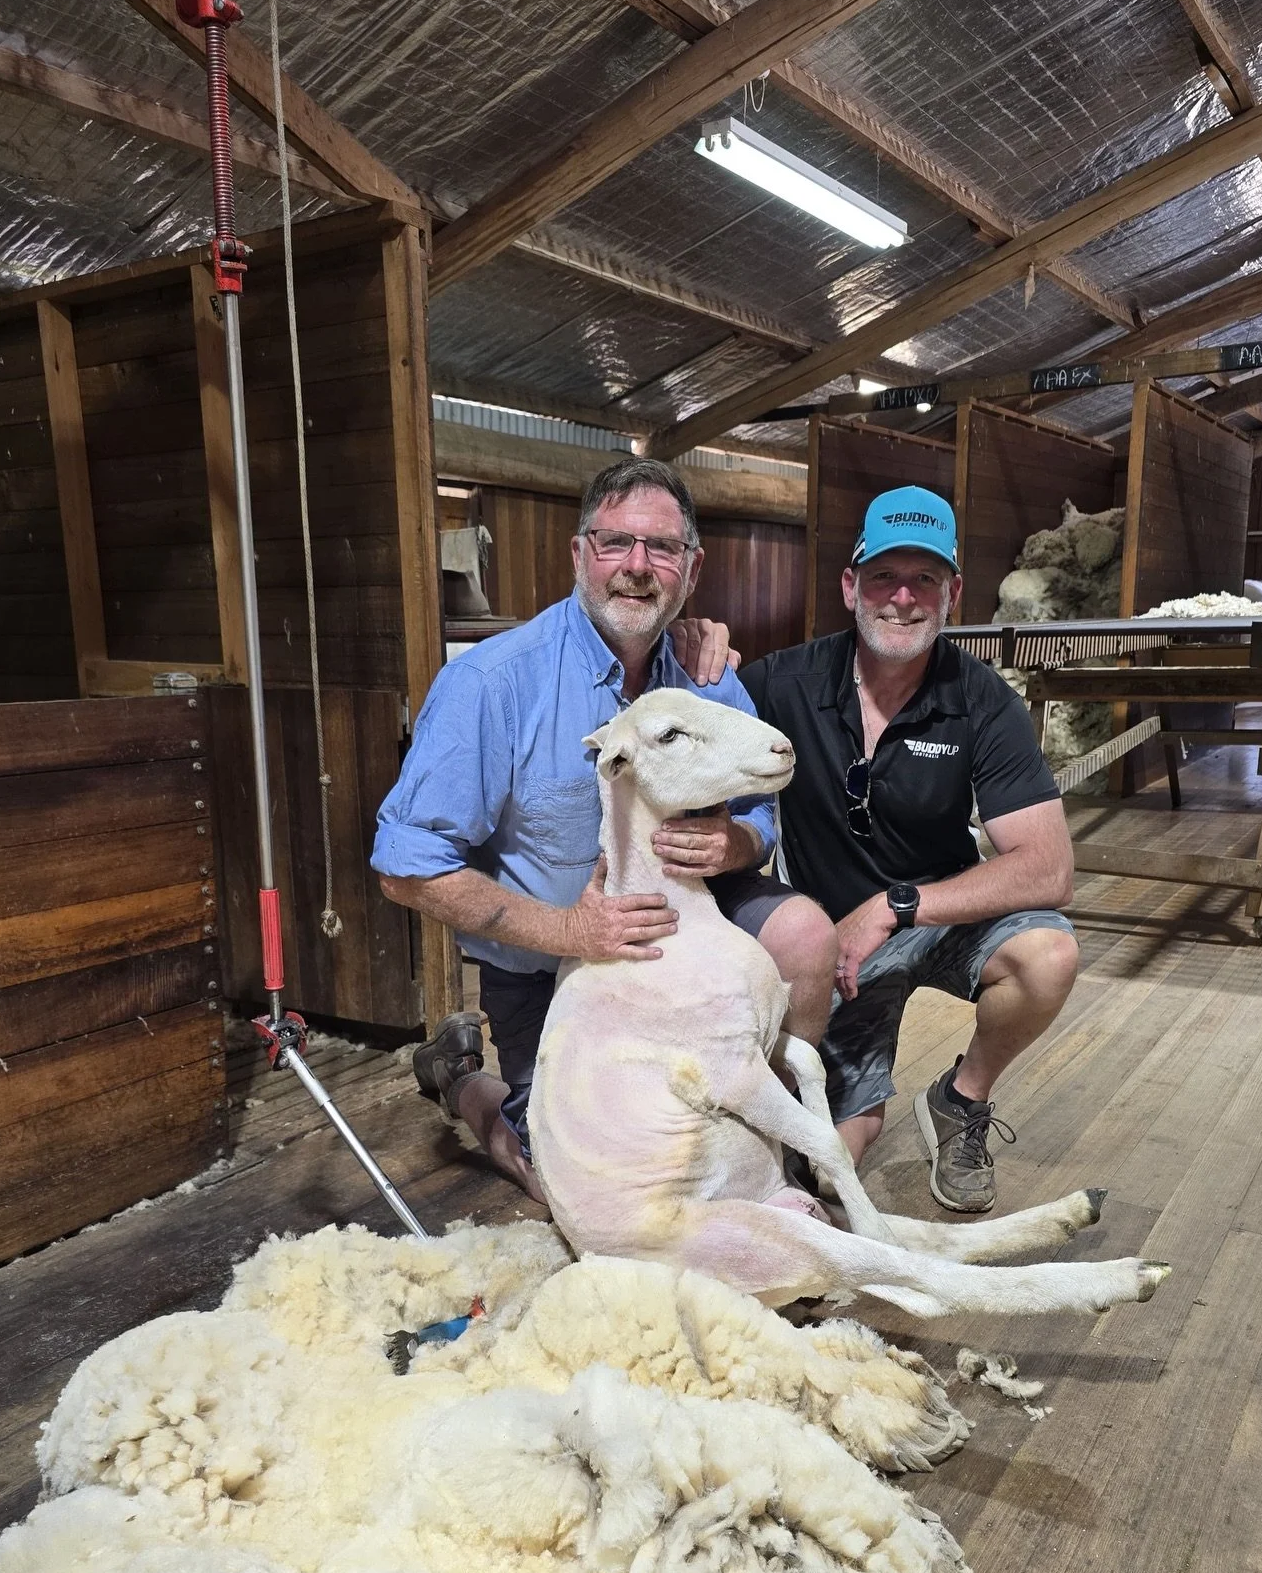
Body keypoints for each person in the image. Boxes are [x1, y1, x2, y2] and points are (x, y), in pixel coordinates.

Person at [372, 457, 838, 1202]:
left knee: (807, 935)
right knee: (558, 1175)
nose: (637, 567)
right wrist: (570, 933)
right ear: (579, 552)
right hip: (556, 965)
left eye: (661, 549)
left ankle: (778, 1155)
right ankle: (462, 1080)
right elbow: (406, 867)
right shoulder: (493, 684)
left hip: (690, 932)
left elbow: (756, 813)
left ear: (692, 568)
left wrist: (736, 843)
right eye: (615, 543)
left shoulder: (704, 673)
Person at [681, 483, 1078, 1215]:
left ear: (953, 591)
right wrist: (692, 636)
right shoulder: (781, 682)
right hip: (833, 948)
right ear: (850, 585)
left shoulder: (983, 700)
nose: (902, 597)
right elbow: (684, 716)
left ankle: (963, 1098)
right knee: (830, 1166)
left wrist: (898, 905)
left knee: (1048, 956)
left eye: (924, 578)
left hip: (937, 919)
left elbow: (1051, 869)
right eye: (883, 577)